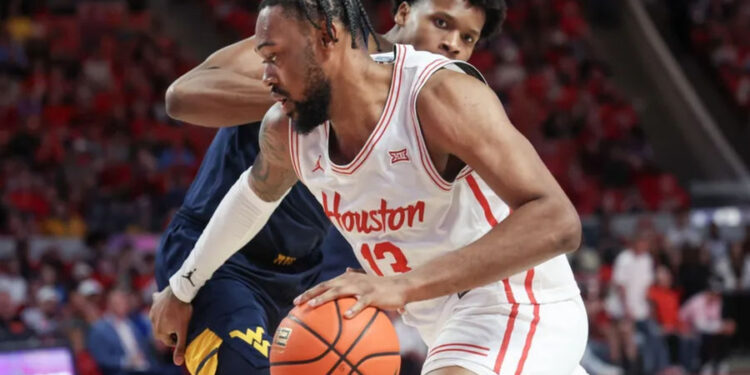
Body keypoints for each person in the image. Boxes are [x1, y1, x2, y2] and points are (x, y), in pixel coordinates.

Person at [164, 0, 587, 373]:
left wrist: (396, 286)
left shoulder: (440, 95)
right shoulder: (286, 128)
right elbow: (253, 197)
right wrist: (181, 288)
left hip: (516, 305)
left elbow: (557, 221)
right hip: (440, 323)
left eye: (275, 58)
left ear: (326, 39)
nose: (265, 78)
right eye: (263, 59)